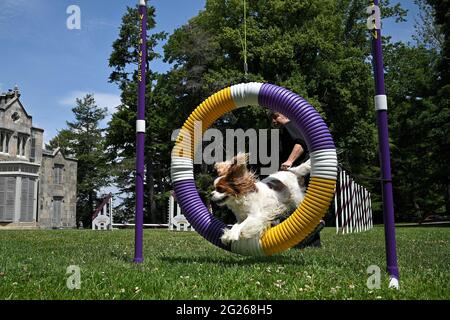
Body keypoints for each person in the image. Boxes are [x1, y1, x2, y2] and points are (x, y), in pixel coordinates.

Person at [270, 111, 323, 248]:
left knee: (295, 204)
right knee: (300, 205)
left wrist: (289, 161)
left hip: (297, 171)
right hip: (300, 170)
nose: (273, 122)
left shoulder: (290, 125)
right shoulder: (292, 127)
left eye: (274, 118)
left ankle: (312, 229)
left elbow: (300, 143)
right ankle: (312, 243)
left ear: (280, 115)